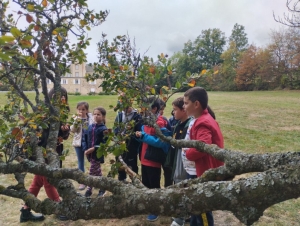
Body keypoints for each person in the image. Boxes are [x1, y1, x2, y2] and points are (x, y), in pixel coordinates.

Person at [20, 87, 70, 222]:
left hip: (54, 152)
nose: (61, 99)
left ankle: (25, 210)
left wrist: (65, 130)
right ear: (50, 97)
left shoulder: (63, 112)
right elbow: (40, 133)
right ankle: (58, 206)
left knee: (37, 182)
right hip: (43, 152)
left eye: (63, 96)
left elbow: (63, 136)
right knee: (48, 180)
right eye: (57, 96)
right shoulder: (44, 112)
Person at [184, 87, 224, 226]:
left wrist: (188, 153)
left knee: (202, 210)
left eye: (186, 103)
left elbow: (203, 145)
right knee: (196, 207)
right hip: (204, 170)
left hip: (205, 171)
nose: (184, 106)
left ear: (196, 104)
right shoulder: (203, 118)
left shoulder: (203, 122)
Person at [135, 97, 171, 222]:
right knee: (146, 183)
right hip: (144, 158)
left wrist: (143, 136)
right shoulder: (146, 121)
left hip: (153, 160)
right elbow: (144, 137)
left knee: (154, 185)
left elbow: (161, 142)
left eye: (145, 107)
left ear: (154, 108)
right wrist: (139, 136)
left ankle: (155, 209)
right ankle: (148, 205)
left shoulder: (160, 122)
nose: (142, 110)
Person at [168, 97, 192, 226]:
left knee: (181, 186)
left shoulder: (189, 125)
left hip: (183, 162)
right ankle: (184, 214)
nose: (173, 113)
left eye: (175, 110)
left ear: (184, 110)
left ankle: (180, 219)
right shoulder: (179, 123)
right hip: (176, 159)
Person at [83, 106, 108, 197]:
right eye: (95, 114)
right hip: (90, 154)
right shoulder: (90, 127)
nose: (96, 116)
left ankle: (89, 190)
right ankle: (103, 187)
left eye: (99, 114)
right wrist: (85, 149)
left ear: (103, 117)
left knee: (92, 171)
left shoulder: (104, 129)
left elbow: (105, 143)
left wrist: (94, 148)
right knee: (97, 172)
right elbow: (84, 138)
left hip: (97, 154)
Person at [114, 106, 142, 182]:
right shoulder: (119, 115)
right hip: (119, 144)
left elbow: (138, 131)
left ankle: (135, 181)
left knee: (132, 164)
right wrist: (117, 135)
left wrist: (128, 136)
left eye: (127, 106)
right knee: (120, 162)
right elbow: (115, 127)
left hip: (131, 145)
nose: (125, 108)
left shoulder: (137, 116)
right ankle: (122, 179)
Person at [70, 101, 93, 190]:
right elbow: (72, 130)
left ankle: (93, 179)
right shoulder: (76, 118)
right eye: (79, 109)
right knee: (80, 162)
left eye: (83, 109)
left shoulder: (91, 118)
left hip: (89, 143)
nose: (81, 111)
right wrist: (77, 120)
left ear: (87, 110)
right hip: (78, 143)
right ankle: (82, 181)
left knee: (93, 161)